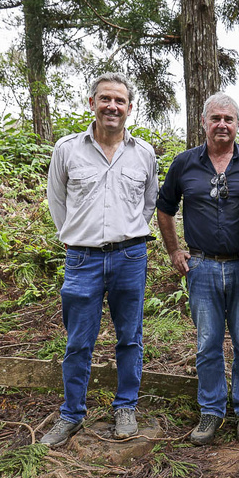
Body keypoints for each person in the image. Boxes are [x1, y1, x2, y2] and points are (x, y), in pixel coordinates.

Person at [42, 72, 158, 446]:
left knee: (130, 338)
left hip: (130, 257)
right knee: (78, 341)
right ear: (91, 103)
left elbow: (149, 203)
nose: (112, 106)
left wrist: (127, 234)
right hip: (82, 260)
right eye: (105, 98)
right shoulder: (67, 149)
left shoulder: (144, 154)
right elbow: (57, 202)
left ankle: (125, 407)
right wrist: (80, 236)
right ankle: (71, 414)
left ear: (129, 108)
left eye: (120, 101)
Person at [156, 93, 239, 445]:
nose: (222, 124)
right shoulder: (185, 164)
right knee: (207, 343)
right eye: (215, 118)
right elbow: (165, 208)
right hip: (201, 267)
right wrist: (174, 250)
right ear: (203, 122)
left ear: (238, 124)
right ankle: (211, 410)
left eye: (228, 119)